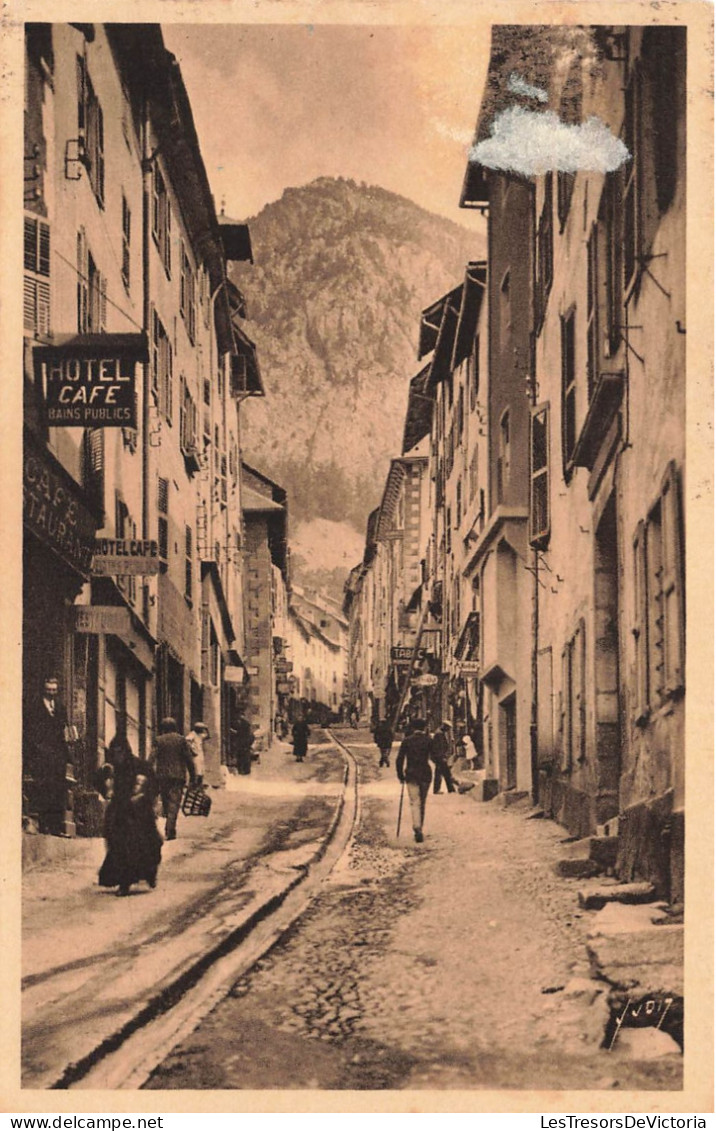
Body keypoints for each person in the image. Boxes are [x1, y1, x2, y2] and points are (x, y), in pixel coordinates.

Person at [97, 732, 162, 897]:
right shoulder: (111, 768)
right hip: (120, 812)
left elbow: (154, 785)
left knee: (144, 846)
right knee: (119, 847)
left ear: (126, 751)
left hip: (139, 814)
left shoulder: (139, 765)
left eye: (120, 752)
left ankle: (146, 875)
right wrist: (106, 788)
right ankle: (124, 882)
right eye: (114, 752)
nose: (117, 756)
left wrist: (144, 797)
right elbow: (99, 782)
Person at [24, 675, 72, 835]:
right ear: (43, 690)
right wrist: (38, 749)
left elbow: (65, 730)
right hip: (42, 755)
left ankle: (56, 826)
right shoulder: (34, 707)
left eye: (54, 690)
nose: (51, 692)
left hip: (58, 756)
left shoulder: (60, 707)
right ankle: (44, 825)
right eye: (48, 690)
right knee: (44, 790)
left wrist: (67, 752)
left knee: (58, 791)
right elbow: (29, 731)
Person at [150, 717, 195, 840]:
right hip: (177, 776)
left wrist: (149, 772)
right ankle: (170, 828)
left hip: (162, 776)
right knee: (174, 803)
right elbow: (189, 760)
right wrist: (193, 777)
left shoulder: (158, 740)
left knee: (166, 800)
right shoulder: (181, 740)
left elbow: (152, 757)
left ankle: (169, 826)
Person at [395, 718, 435, 843]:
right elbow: (435, 757)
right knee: (422, 802)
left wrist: (400, 775)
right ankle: (419, 828)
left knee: (414, 802)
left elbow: (399, 760)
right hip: (425, 774)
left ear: (413, 728)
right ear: (424, 728)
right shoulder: (429, 740)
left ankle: (417, 827)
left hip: (411, 774)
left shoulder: (407, 741)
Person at [432, 720, 457, 795]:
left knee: (442, 773)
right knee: (444, 773)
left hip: (440, 757)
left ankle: (448, 789)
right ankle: (449, 789)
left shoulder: (439, 733)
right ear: (444, 726)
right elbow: (439, 747)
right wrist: (442, 756)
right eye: (448, 728)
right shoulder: (439, 734)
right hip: (440, 757)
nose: (448, 730)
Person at [232, 710, 255, 775]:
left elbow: (241, 733)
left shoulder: (244, 724)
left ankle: (244, 770)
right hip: (244, 742)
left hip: (244, 742)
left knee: (243, 756)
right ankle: (244, 770)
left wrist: (235, 732)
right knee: (243, 756)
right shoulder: (244, 723)